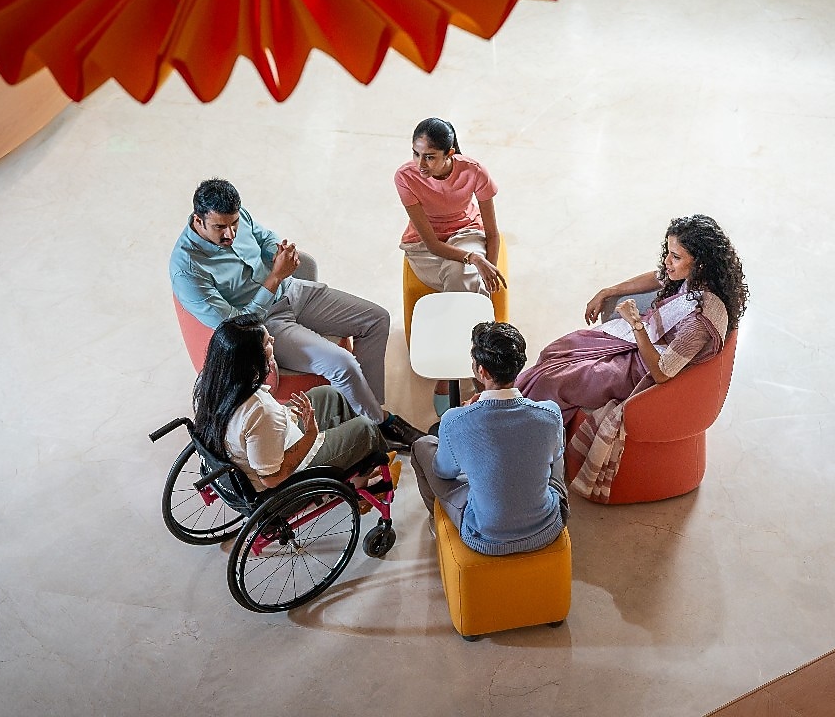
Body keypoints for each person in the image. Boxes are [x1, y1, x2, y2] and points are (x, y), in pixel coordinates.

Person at [171, 178, 424, 450]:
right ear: (198, 221)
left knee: (377, 318)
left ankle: (364, 413)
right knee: (343, 364)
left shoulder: (237, 216)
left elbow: (263, 237)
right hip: (265, 324)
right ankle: (380, 423)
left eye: (234, 224)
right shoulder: (187, 269)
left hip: (292, 291)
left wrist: (278, 253)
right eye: (220, 227)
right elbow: (238, 324)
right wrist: (274, 278)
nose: (230, 234)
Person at [515, 214, 749, 498]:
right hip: (645, 342)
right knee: (555, 351)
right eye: (668, 252)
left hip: (644, 369)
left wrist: (637, 324)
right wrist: (609, 291)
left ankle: (524, 442)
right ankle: (530, 421)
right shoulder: (696, 279)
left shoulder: (700, 320)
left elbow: (662, 372)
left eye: (675, 257)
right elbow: (657, 277)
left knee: (558, 379)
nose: (667, 262)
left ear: (698, 261)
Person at [411, 322, 567, 556]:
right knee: (556, 450)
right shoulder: (549, 412)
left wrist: (465, 418)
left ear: (481, 371)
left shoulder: (455, 420)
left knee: (422, 446)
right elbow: (554, 457)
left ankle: (437, 520)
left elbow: (444, 472)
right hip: (548, 527)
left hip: (486, 538)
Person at [193, 315, 389, 499]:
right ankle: (361, 484)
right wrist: (310, 434)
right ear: (251, 361)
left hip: (263, 447)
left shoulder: (214, 383)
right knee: (366, 429)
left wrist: (285, 417)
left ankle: (353, 460)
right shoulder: (260, 412)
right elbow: (271, 479)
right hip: (285, 478)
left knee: (330, 395)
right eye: (267, 343)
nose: (273, 341)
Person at [395, 118, 508, 415]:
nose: (421, 164)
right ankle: (477, 366)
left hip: (466, 233)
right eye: (416, 154)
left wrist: (487, 270)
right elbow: (432, 244)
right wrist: (475, 260)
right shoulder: (405, 177)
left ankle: (452, 372)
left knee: (466, 281)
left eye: (430, 156)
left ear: (451, 153)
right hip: (425, 245)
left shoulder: (473, 171)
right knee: (462, 275)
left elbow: (492, 233)